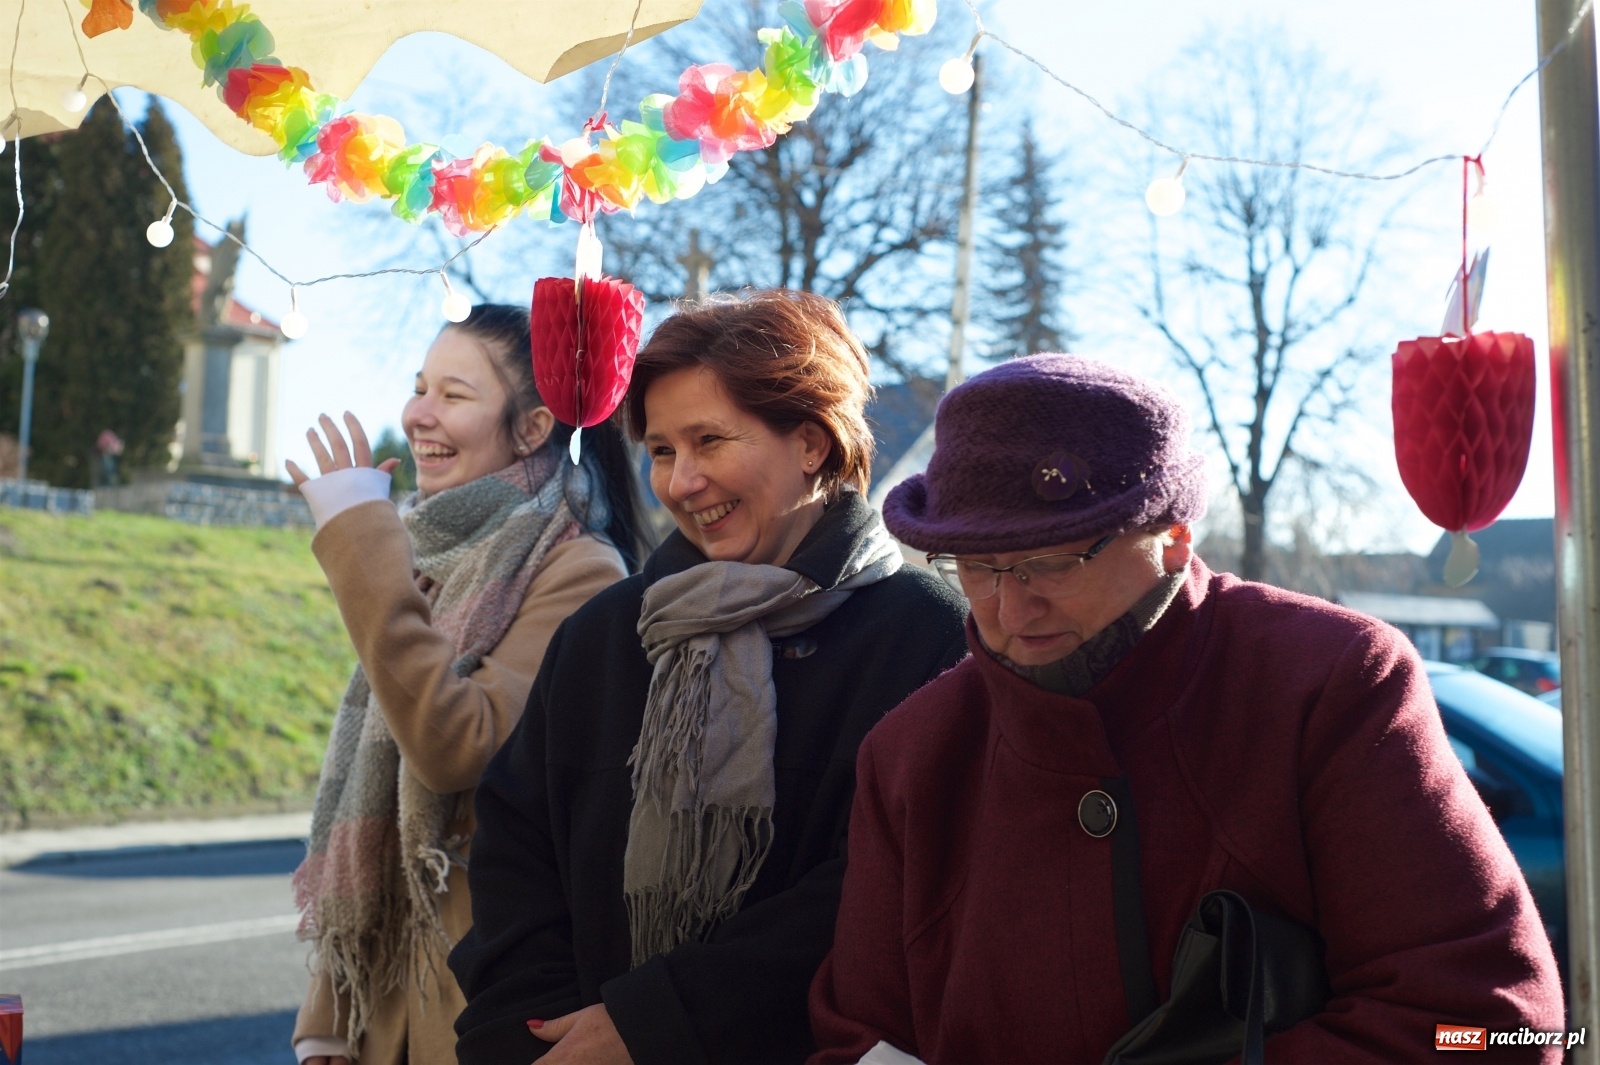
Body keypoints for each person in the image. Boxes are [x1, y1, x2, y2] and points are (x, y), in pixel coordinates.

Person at [808, 354, 1566, 1064]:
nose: (1010, 605)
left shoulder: (1331, 681)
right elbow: (857, 1038)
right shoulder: (910, 753)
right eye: (977, 567)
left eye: (1050, 561)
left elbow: (1492, 1022)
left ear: (1173, 536)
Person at [446, 290, 971, 1065]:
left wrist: (653, 1022)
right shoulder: (605, 634)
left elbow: (880, 894)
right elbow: (514, 858)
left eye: (710, 441)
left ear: (813, 443)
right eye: (661, 450)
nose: (682, 481)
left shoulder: (928, 639)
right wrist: (535, 1035)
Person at [285, 304, 650, 1065]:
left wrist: (361, 538)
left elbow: (458, 745)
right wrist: (327, 1015)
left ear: (532, 427)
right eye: (420, 387)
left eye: (453, 395)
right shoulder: (438, 553)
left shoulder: (580, 569)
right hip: (383, 1008)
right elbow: (372, 790)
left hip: (480, 1003)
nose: (418, 413)